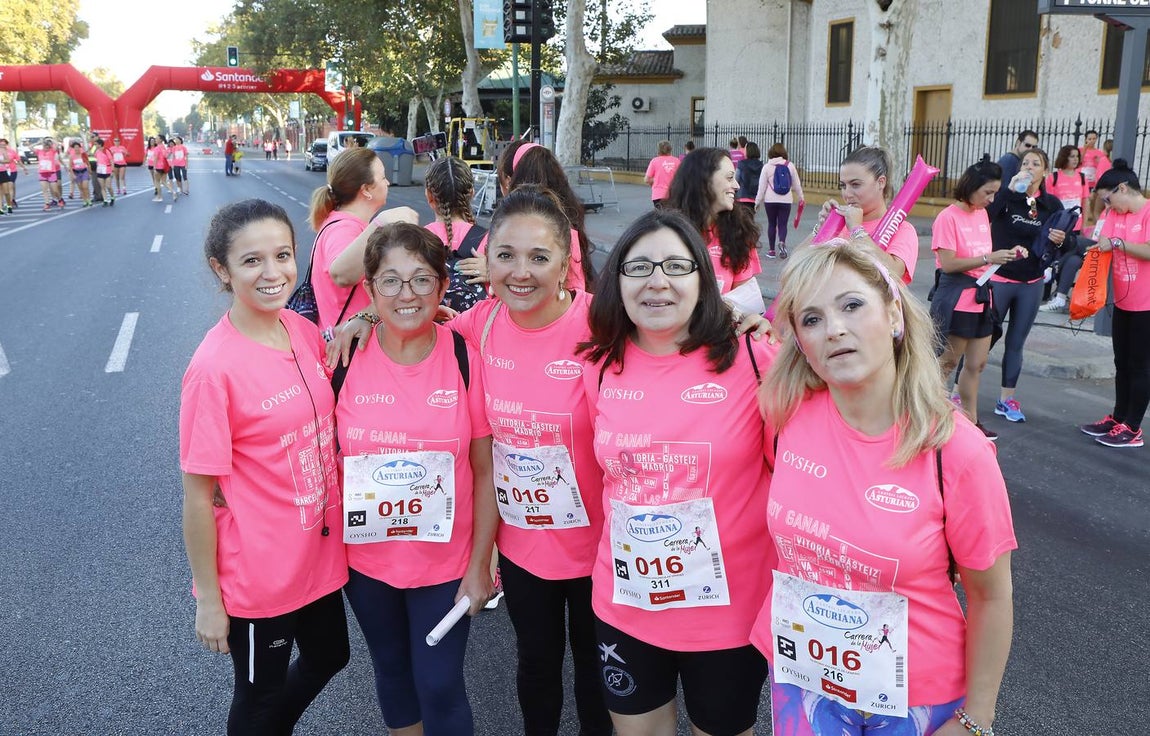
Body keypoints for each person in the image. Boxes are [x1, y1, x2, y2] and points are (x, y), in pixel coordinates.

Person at [754, 238, 1015, 736]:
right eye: (811, 319)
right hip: (804, 681)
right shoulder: (785, 416)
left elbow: (991, 596)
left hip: (915, 700)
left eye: (852, 305)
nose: (834, 329)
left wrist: (977, 718)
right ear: (800, 342)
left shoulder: (957, 451)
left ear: (894, 314)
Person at [578, 209, 775, 736]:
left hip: (728, 615)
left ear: (701, 277)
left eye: (675, 266)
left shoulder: (755, 358)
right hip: (626, 605)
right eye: (639, 267)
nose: (657, 281)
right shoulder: (599, 365)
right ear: (617, 280)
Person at [180, 198, 349, 733]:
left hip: (317, 553)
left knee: (331, 655)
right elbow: (198, 496)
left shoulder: (299, 330)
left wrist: (368, 319)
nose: (273, 272)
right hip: (260, 574)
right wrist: (209, 598)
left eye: (283, 255)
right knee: (258, 698)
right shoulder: (214, 369)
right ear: (222, 270)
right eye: (252, 260)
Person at [337, 223, 497, 735]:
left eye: (422, 279)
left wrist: (481, 564)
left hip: (445, 563)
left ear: (443, 286)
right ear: (370, 288)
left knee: (440, 683)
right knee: (392, 672)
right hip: (365, 563)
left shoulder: (464, 356)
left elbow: (485, 469)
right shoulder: (341, 357)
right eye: (391, 280)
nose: (407, 294)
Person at [985, 147, 1074, 424]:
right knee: (982, 338)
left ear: (1045, 172)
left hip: (1031, 282)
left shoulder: (1052, 205)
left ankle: (1006, 400)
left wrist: (1062, 239)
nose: (1029, 167)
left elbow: (1068, 244)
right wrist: (1009, 191)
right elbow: (985, 217)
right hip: (1000, 277)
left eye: (1036, 164)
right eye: (1025, 163)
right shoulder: (1006, 196)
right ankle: (958, 393)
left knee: (1016, 343)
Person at [930, 160, 1015, 441]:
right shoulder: (948, 217)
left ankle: (971, 422)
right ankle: (928, 418)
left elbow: (983, 259)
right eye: (988, 192)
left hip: (981, 297)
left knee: (977, 364)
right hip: (957, 298)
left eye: (995, 193)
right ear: (971, 186)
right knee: (946, 363)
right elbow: (948, 264)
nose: (991, 199)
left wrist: (1004, 256)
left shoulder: (981, 214)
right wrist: (988, 258)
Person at [1079, 160, 1150, 448]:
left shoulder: (1148, 212)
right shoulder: (1113, 214)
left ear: (1122, 188)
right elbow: (1102, 242)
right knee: (1122, 362)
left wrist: (1119, 243)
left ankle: (1133, 428)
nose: (1107, 206)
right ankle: (1118, 418)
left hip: (1146, 304)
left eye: (1108, 199)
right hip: (1123, 300)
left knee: (1140, 365)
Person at [310, 147, 411, 338]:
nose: (387, 182)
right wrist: (382, 222)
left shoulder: (345, 223)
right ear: (365, 190)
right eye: (383, 177)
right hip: (351, 344)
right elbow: (341, 274)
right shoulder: (345, 229)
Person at [665, 147, 764, 317]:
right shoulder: (666, 234)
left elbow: (746, 300)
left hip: (721, 328)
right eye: (729, 178)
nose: (736, 185)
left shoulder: (739, 232)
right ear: (704, 181)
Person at [809, 146, 919, 283]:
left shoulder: (902, 229)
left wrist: (857, 231)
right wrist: (821, 229)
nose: (847, 194)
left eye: (855, 184)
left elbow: (894, 273)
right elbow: (799, 266)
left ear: (881, 182)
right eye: (843, 186)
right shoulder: (840, 224)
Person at [422, 156, 488, 312]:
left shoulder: (417, 240)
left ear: (429, 196)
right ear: (471, 193)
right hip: (476, 325)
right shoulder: (488, 240)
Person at [755, 142, 805, 259]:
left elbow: (761, 187)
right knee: (783, 224)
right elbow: (796, 184)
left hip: (770, 200)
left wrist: (757, 202)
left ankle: (772, 251)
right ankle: (782, 242)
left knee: (772, 224)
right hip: (786, 200)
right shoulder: (790, 165)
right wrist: (801, 197)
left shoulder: (767, 167)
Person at [644, 140, 680, 209]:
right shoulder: (677, 161)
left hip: (658, 195)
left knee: (660, 214)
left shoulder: (654, 161)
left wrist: (655, 180)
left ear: (659, 150)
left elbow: (647, 179)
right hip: (674, 194)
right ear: (670, 149)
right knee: (673, 214)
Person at [0, 138, 29, 214]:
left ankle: (10, 202)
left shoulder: (11, 151)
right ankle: (2, 205)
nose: (2, 146)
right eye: (1, 144)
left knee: (9, 187)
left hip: (11, 171)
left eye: (4, 144)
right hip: (2, 171)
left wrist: (24, 168)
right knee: (2, 190)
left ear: (7, 144)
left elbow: (17, 160)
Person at [735, 140, 764, 214]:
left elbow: (736, 178)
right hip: (755, 197)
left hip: (742, 195)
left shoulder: (741, 164)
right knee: (750, 217)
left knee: (742, 218)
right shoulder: (761, 165)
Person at [37, 137, 64, 211]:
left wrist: (50, 140)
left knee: (55, 190)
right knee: (44, 189)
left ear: (49, 147)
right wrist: (38, 143)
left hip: (51, 173)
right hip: (42, 173)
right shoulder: (39, 151)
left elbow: (57, 144)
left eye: (47, 147)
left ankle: (59, 199)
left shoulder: (52, 151)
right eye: (44, 146)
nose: (46, 148)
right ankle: (47, 203)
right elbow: (30, 147)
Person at [66, 141, 92, 207]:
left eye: (78, 147)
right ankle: (85, 200)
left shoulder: (83, 155)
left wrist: (89, 172)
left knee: (85, 187)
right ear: (73, 149)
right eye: (75, 147)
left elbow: (88, 164)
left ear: (80, 148)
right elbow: (70, 166)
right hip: (77, 173)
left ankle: (89, 199)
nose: (76, 149)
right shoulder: (72, 156)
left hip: (84, 171)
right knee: (81, 188)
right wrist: (73, 175)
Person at [94, 139, 115, 207]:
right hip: (100, 170)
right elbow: (96, 159)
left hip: (107, 170)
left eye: (96, 144)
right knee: (102, 187)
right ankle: (105, 200)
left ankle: (112, 197)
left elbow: (111, 160)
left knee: (108, 186)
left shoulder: (106, 150)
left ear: (100, 144)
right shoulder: (97, 151)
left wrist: (112, 170)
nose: (95, 145)